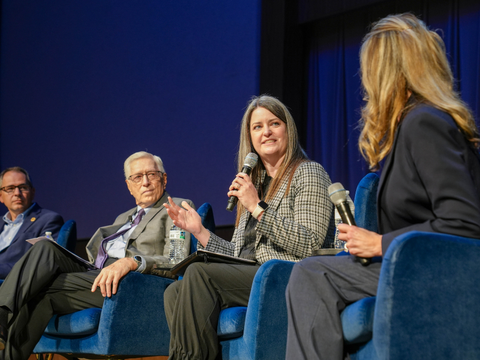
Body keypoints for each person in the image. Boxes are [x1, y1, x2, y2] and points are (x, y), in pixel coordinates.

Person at [285, 13, 480, 360]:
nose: (365, 81)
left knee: (311, 274)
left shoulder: (424, 123)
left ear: (388, 72)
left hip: (441, 271)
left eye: (370, 69)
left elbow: (465, 223)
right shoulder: (415, 124)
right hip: (412, 264)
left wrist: (379, 243)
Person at [163, 95, 336, 360]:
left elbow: (309, 243)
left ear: (287, 129)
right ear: (250, 137)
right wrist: (200, 231)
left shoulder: (308, 172)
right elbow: (239, 254)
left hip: (288, 275)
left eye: (274, 123)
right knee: (176, 290)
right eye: (257, 127)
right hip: (255, 274)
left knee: (199, 274)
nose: (266, 132)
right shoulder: (254, 184)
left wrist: (257, 207)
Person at [0, 151, 194, 360]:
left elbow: (177, 261)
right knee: (46, 249)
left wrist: (131, 262)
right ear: (129, 186)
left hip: (132, 284)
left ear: (164, 179)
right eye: (137, 177)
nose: (145, 182)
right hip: (97, 275)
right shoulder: (123, 217)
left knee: (39, 291)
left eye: (152, 175)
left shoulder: (177, 208)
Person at [0, 167, 64, 279]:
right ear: (1, 196)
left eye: (23, 188)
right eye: (10, 188)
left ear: (32, 192)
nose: (17, 193)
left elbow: (41, 264)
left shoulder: (49, 220)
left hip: (15, 286)